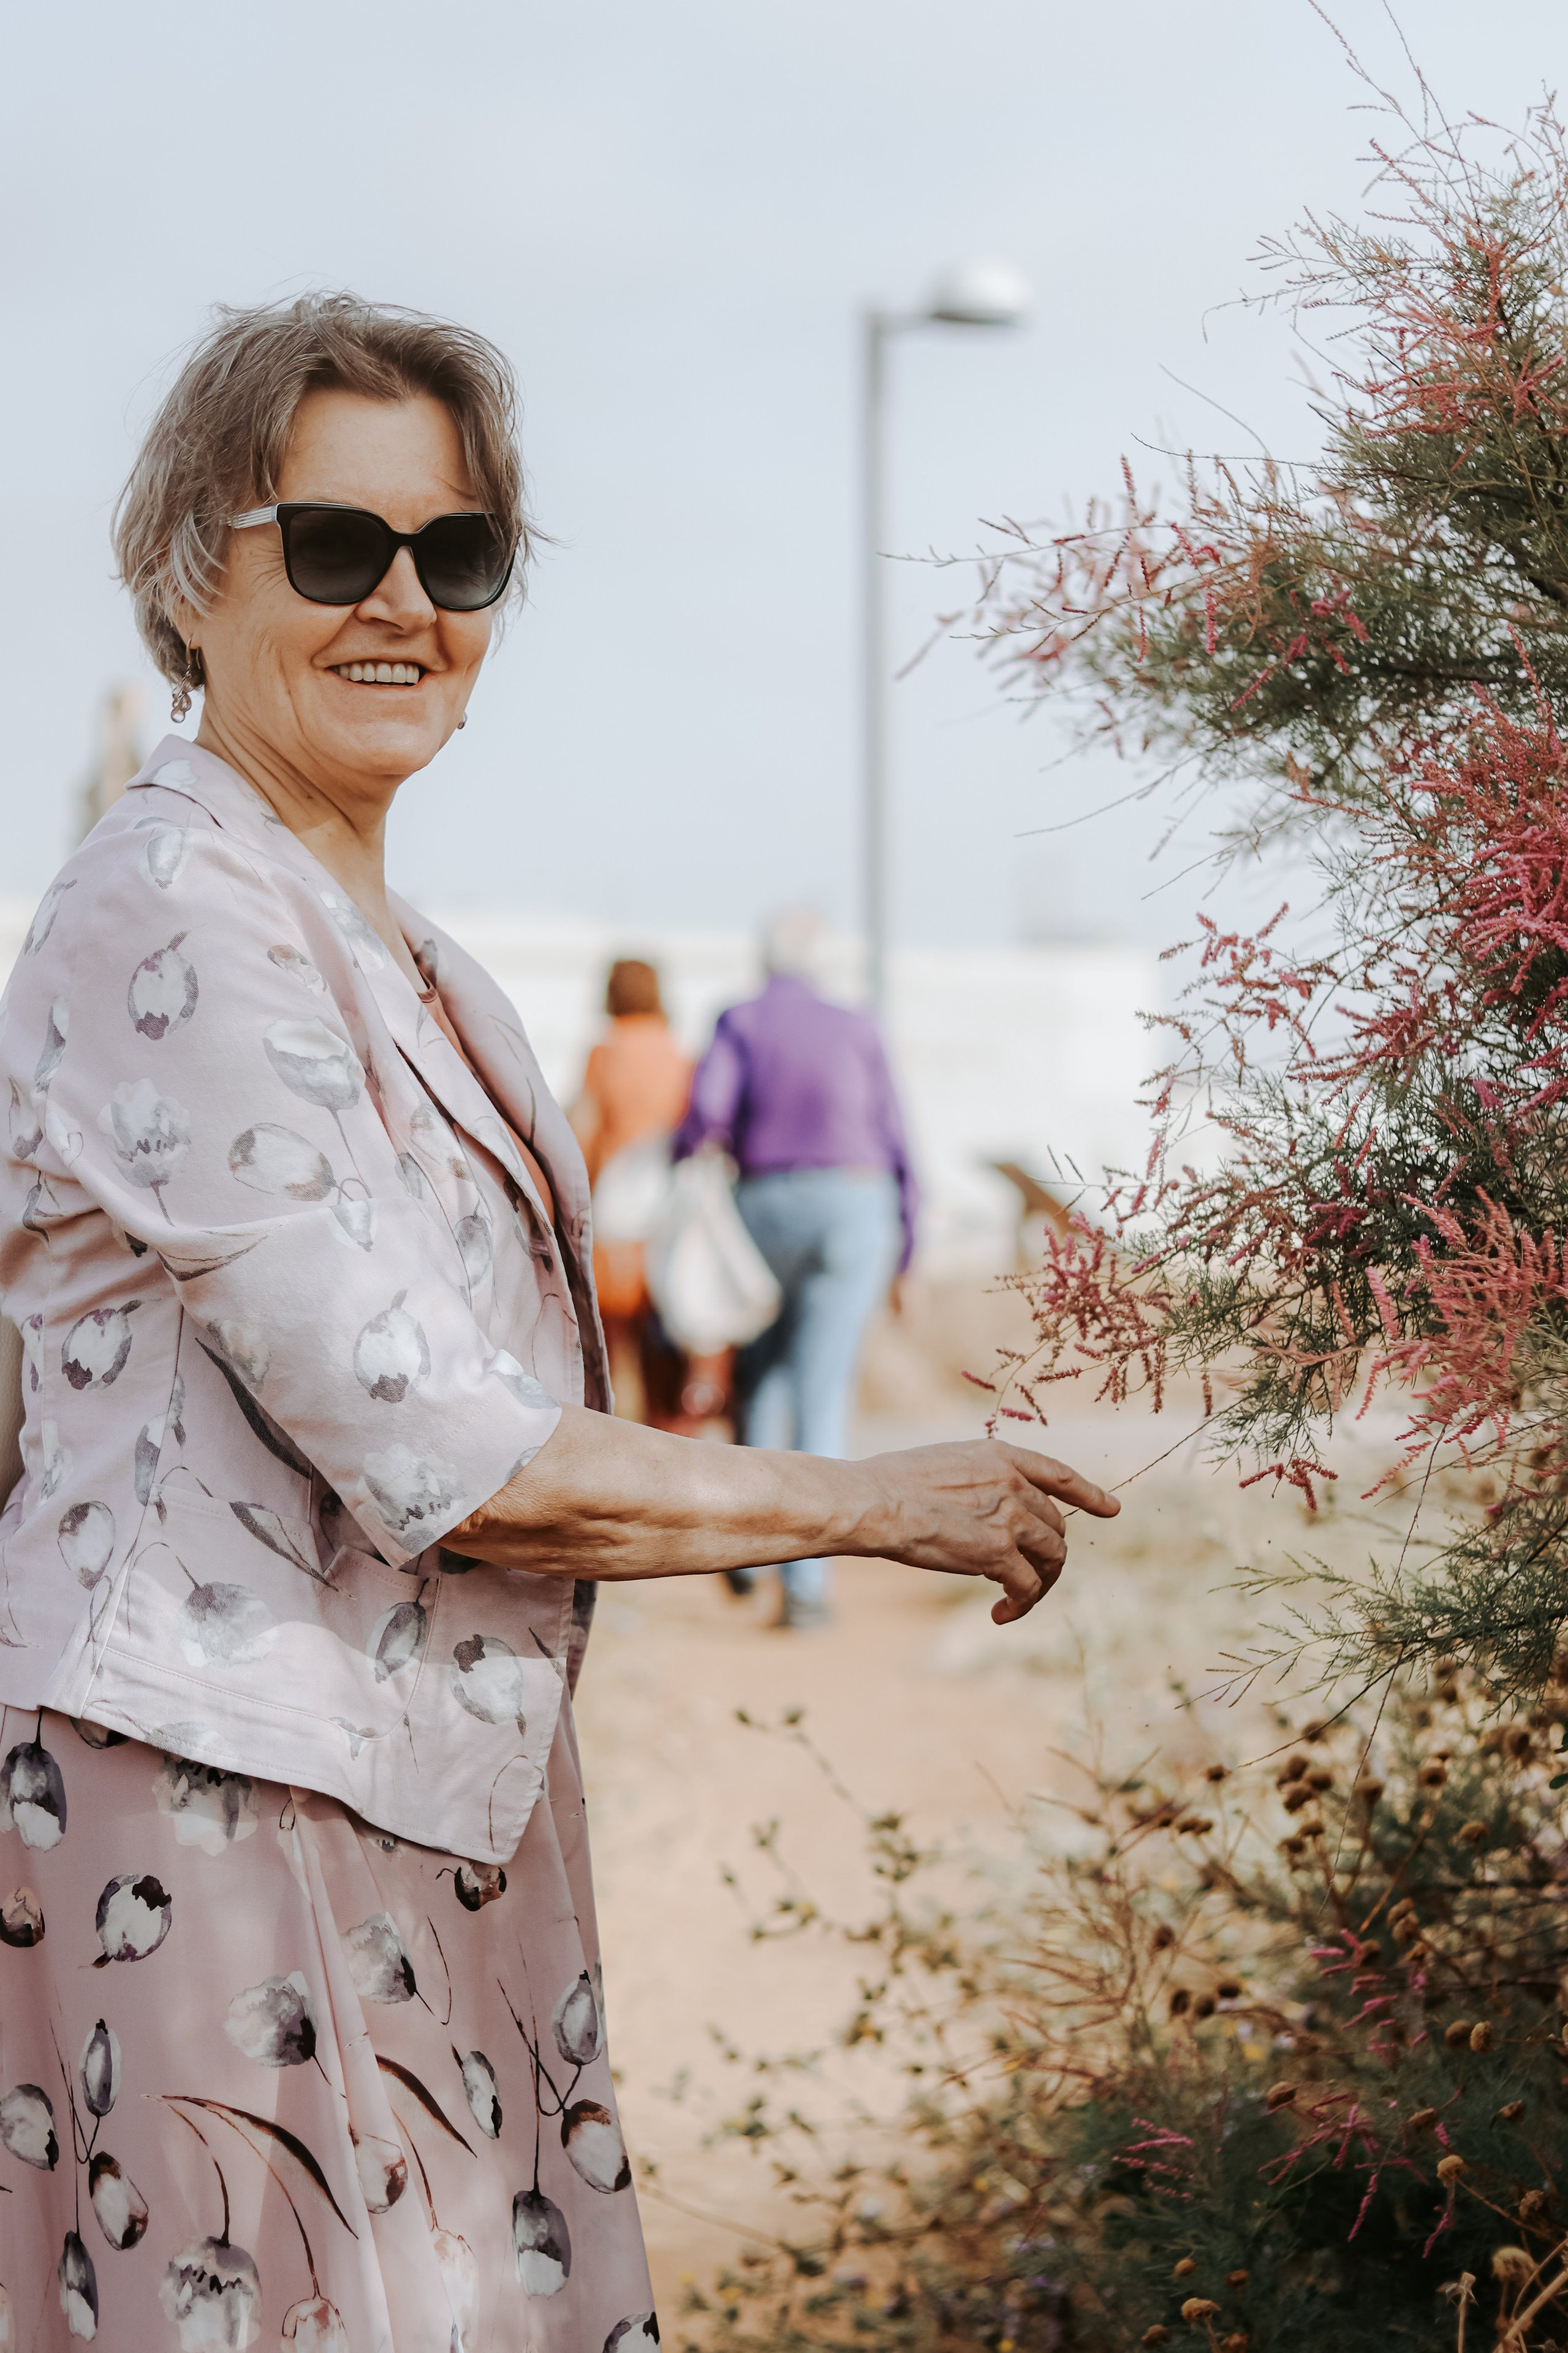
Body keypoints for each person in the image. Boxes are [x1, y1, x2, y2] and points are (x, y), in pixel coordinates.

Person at [0, 294, 1118, 2349]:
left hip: (416, 1793)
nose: (402, 602)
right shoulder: (169, 910)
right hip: (218, 1808)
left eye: (460, 555)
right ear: (192, 573)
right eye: (336, 544)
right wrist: (880, 1503)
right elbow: (443, 1446)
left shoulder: (418, 959)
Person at [672, 907, 918, 1627]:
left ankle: (751, 1551)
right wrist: (912, 1248)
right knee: (821, 1388)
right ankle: (806, 1591)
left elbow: (704, 1117)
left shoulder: (738, 1020)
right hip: (854, 1204)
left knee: (768, 1381)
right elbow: (899, 1137)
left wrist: (681, 1163)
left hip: (765, 1204)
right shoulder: (859, 1023)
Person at [569, 958, 716, 1430]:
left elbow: (582, 1131)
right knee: (667, 1351)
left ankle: (614, 1456)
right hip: (672, 1218)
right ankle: (670, 1452)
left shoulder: (604, 1053)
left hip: (617, 1220)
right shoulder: (683, 1055)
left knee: (612, 1355)